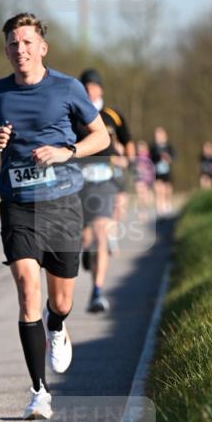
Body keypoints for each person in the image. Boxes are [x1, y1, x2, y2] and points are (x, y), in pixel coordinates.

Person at [0, 13, 110, 420]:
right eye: (13, 44)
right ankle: (39, 392)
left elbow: (101, 136)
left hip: (63, 202)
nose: (20, 50)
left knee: (62, 299)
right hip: (18, 203)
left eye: (27, 42)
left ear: (42, 47)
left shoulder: (67, 88)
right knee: (25, 287)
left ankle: (57, 326)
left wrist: (65, 152)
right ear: (6, 50)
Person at [77, 69, 134, 312]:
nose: (89, 90)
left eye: (93, 86)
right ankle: (89, 256)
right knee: (86, 238)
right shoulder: (74, 115)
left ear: (100, 88)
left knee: (101, 232)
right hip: (80, 183)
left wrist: (126, 161)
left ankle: (97, 291)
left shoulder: (112, 115)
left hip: (106, 181)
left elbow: (128, 142)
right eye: (85, 86)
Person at [149, 127, 176, 214]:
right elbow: (150, 157)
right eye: (157, 135)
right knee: (159, 189)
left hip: (166, 172)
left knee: (167, 189)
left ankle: (167, 202)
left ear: (165, 136)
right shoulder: (153, 147)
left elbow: (174, 156)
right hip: (156, 172)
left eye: (160, 135)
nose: (158, 137)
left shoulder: (169, 146)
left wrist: (168, 158)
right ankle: (159, 207)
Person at [134, 140, 156, 218]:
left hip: (147, 178)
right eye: (139, 148)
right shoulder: (135, 157)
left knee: (146, 197)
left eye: (142, 147)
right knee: (140, 195)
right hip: (138, 178)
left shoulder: (149, 156)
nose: (141, 149)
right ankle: (141, 213)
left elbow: (152, 167)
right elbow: (132, 167)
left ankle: (145, 211)